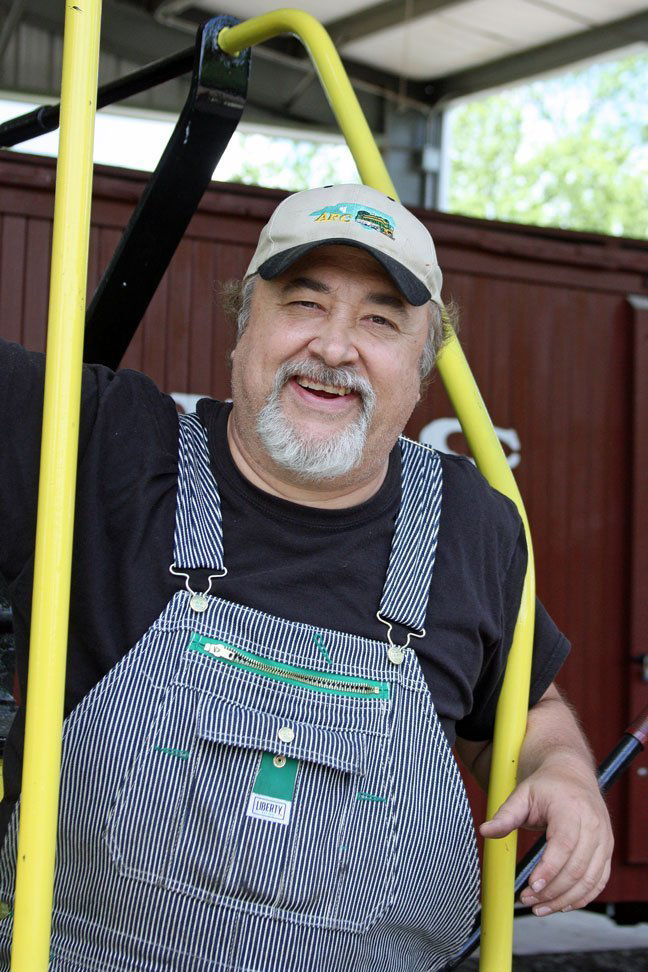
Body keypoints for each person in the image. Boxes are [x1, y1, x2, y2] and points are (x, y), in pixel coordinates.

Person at [0, 184, 612, 971]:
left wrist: (564, 772)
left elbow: (529, 707)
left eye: (380, 321)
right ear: (243, 323)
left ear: (421, 370)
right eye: (303, 303)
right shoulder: (95, 446)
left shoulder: (473, 527)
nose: (333, 347)